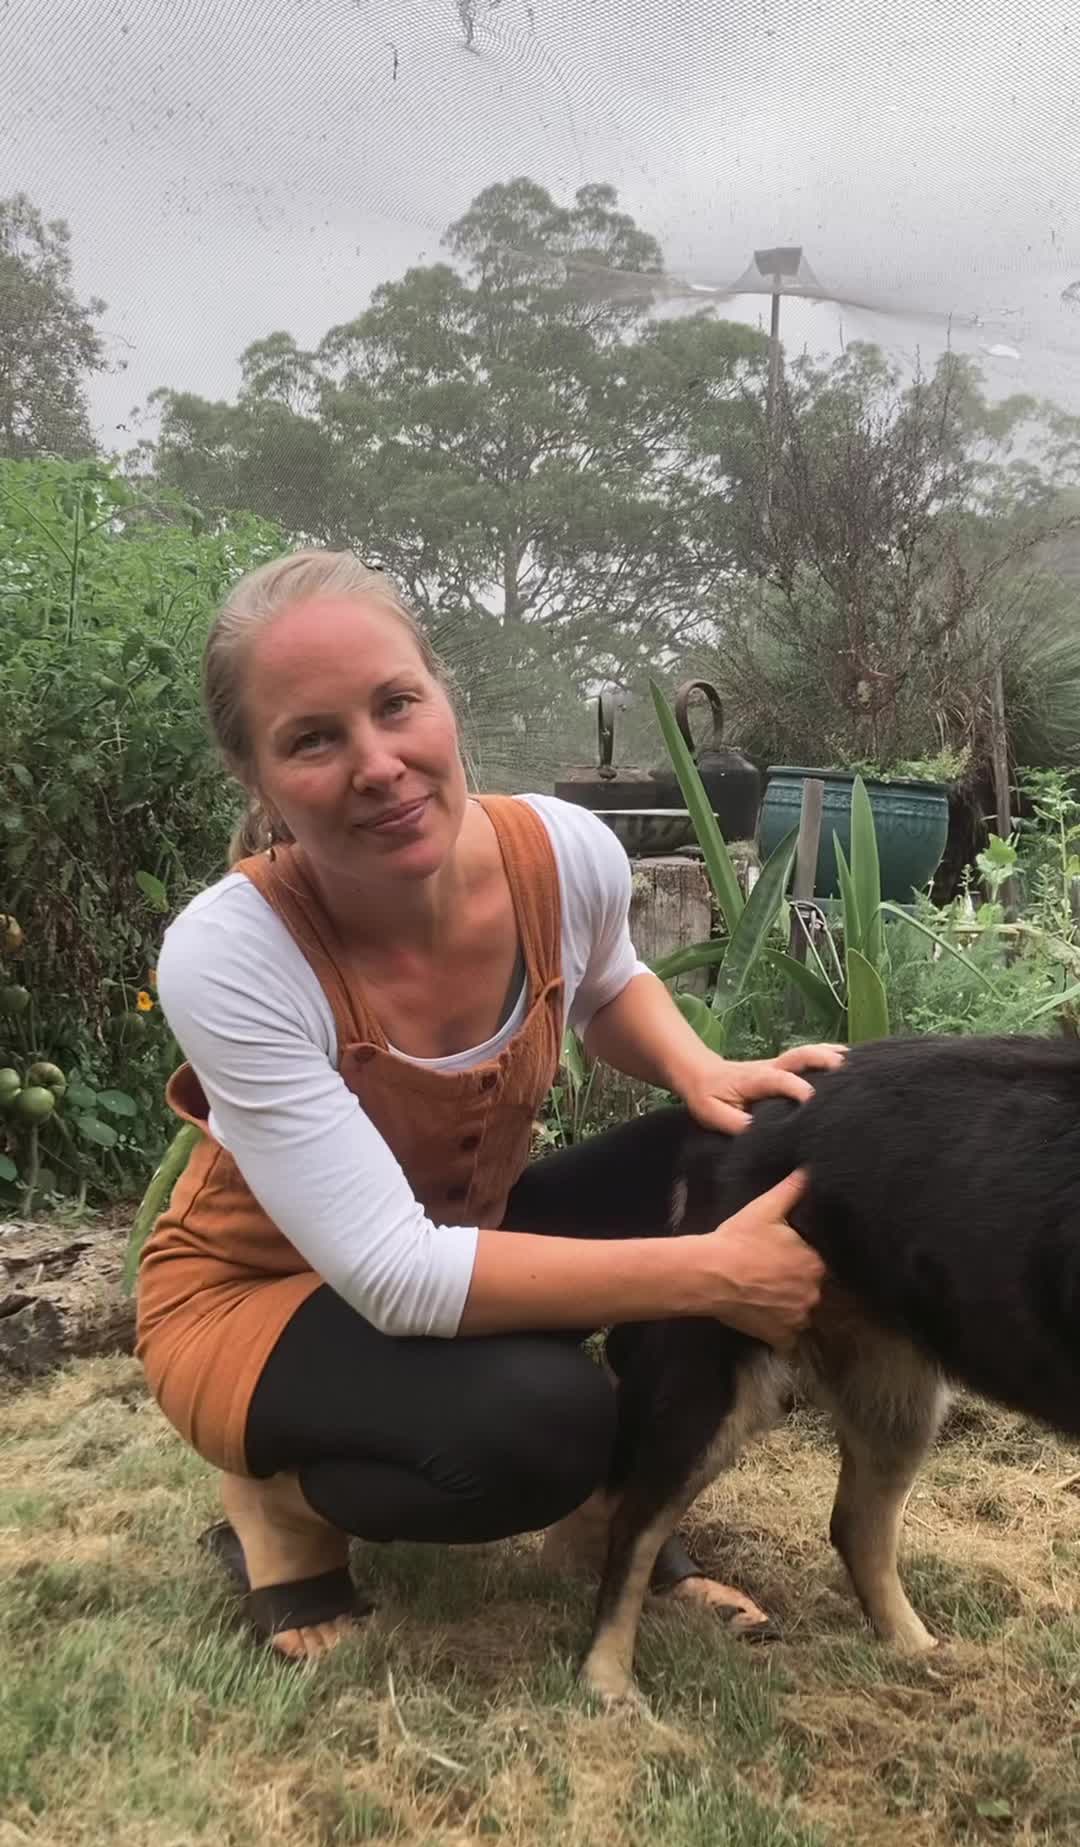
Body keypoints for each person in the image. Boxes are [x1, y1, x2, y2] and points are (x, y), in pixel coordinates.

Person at [136, 549, 840, 1663]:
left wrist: (699, 1070)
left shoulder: (559, 851)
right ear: (256, 777)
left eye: (396, 704)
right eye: (313, 739)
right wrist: (711, 1272)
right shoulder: (233, 954)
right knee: (540, 1425)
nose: (379, 765)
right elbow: (397, 1272)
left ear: (444, 695)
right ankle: (282, 1511)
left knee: (741, 1149)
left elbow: (607, 983)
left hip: (463, 1235)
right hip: (259, 1301)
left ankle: (612, 1522)